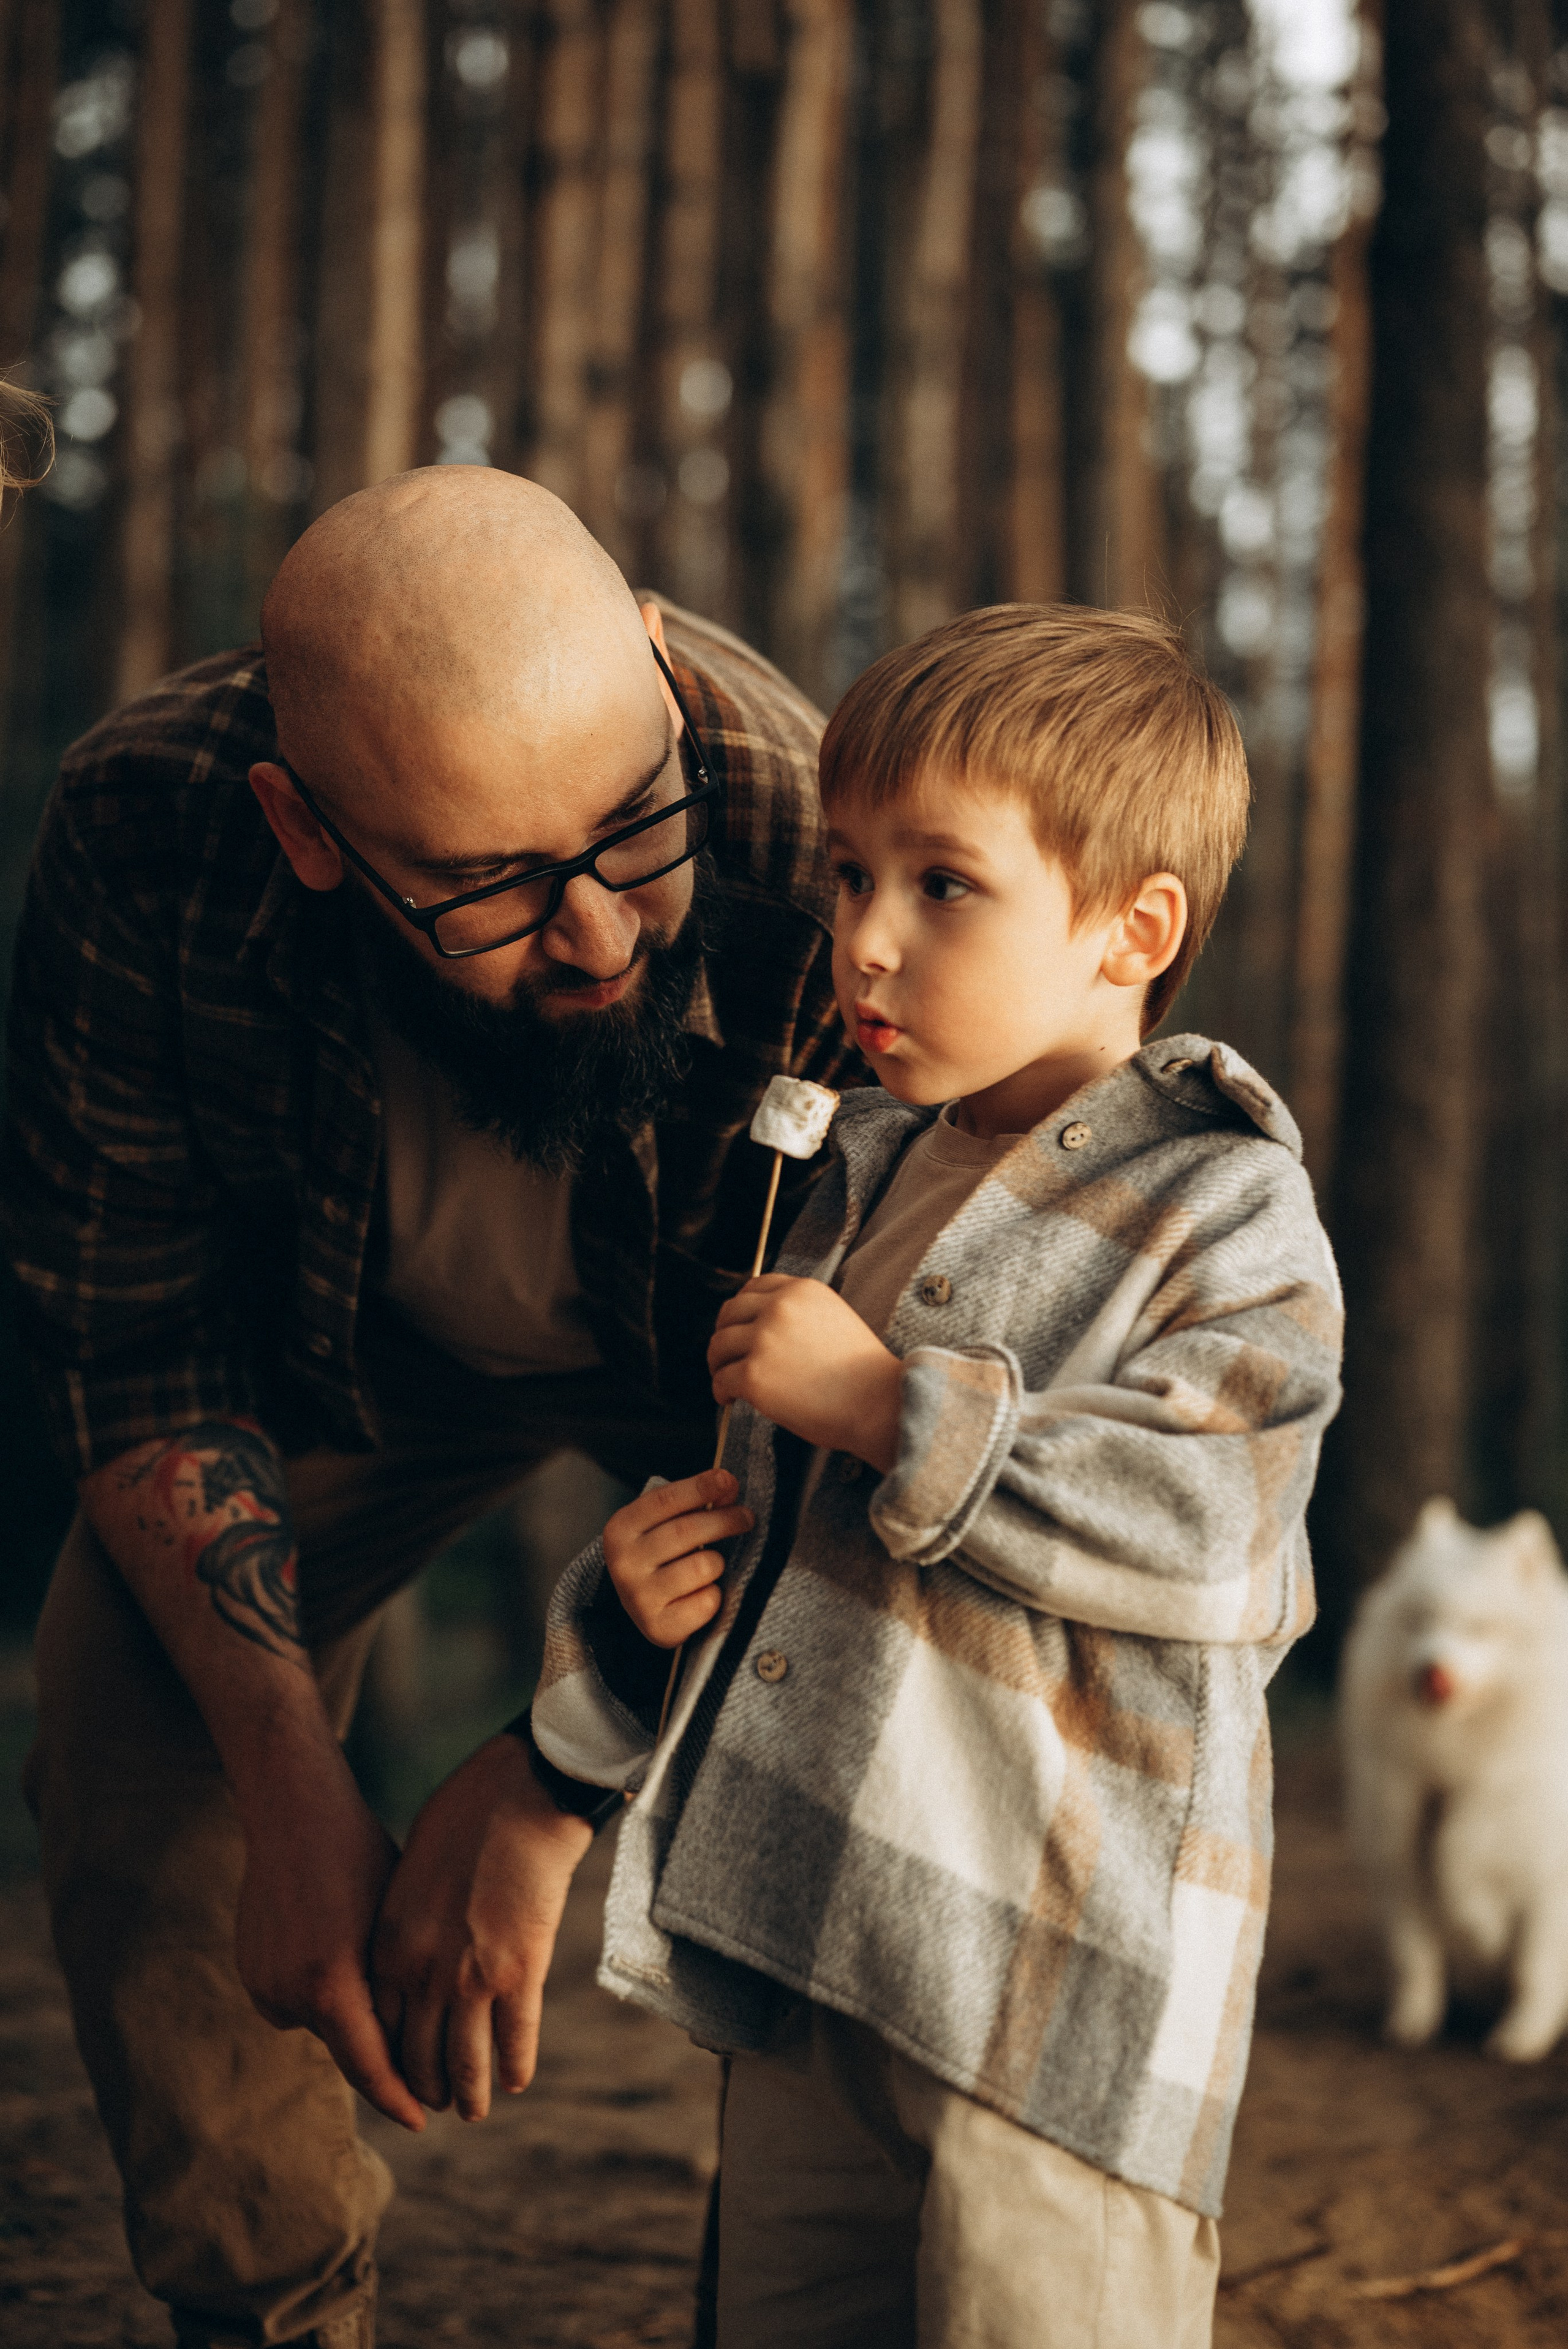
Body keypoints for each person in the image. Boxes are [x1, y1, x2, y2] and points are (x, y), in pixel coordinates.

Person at [3, 466, 857, 2349]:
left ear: (655, 667)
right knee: (129, 1696)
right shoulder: (149, 828)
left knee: (872, 1727)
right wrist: (297, 1781)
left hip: (738, 1399)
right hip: (345, 1366)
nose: (602, 938)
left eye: (632, 836)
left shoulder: (819, 833)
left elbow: (880, 1415)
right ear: (309, 835)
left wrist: (548, 1771)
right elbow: (134, 1329)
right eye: (488, 888)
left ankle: (825, 2302)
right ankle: (276, 2307)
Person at [530, 604, 1344, 2347]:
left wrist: (905, 1408)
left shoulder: (1223, 1200)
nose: (862, 945)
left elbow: (1222, 1538)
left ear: (1136, 928)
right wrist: (630, 1604)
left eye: (942, 885)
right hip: (814, 1938)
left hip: (1056, 2005)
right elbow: (778, 1556)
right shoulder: (846, 1181)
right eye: (843, 878)